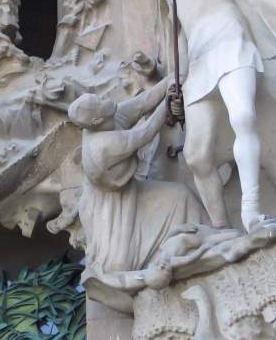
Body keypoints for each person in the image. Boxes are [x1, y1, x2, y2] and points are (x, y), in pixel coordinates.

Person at [67, 82, 205, 311]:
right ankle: (189, 255)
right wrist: (168, 103)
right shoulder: (102, 144)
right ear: (95, 120)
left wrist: (172, 80)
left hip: (127, 194)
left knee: (181, 196)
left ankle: (203, 244)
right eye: (98, 102)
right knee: (119, 260)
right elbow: (146, 132)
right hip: (112, 208)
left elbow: (142, 103)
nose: (103, 99)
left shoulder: (107, 117)